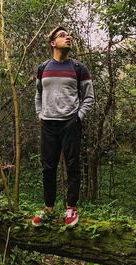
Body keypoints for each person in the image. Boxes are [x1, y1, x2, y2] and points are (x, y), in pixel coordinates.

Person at [32, 26, 94, 226]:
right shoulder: (43, 68)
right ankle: (49, 209)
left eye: (69, 35)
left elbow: (89, 97)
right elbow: (38, 94)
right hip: (48, 124)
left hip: (70, 123)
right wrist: (40, 114)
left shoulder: (79, 68)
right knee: (48, 168)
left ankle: (71, 209)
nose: (68, 37)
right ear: (52, 43)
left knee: (73, 166)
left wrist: (79, 118)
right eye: (62, 35)